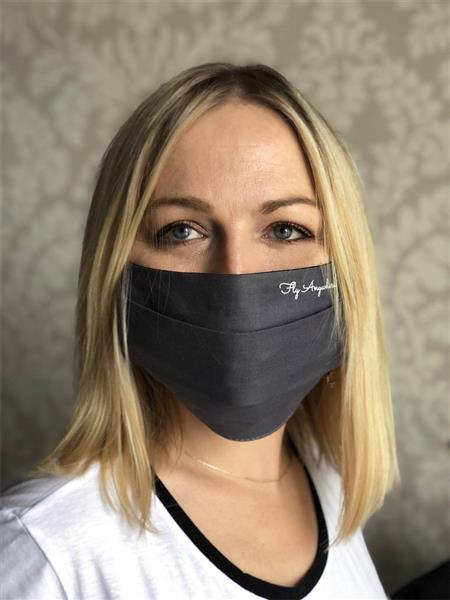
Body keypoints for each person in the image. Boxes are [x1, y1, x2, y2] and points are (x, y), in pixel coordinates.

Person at [0, 62, 400, 600]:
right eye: (181, 230)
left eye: (285, 229)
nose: (235, 274)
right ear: (114, 271)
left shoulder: (332, 486)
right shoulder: (44, 553)